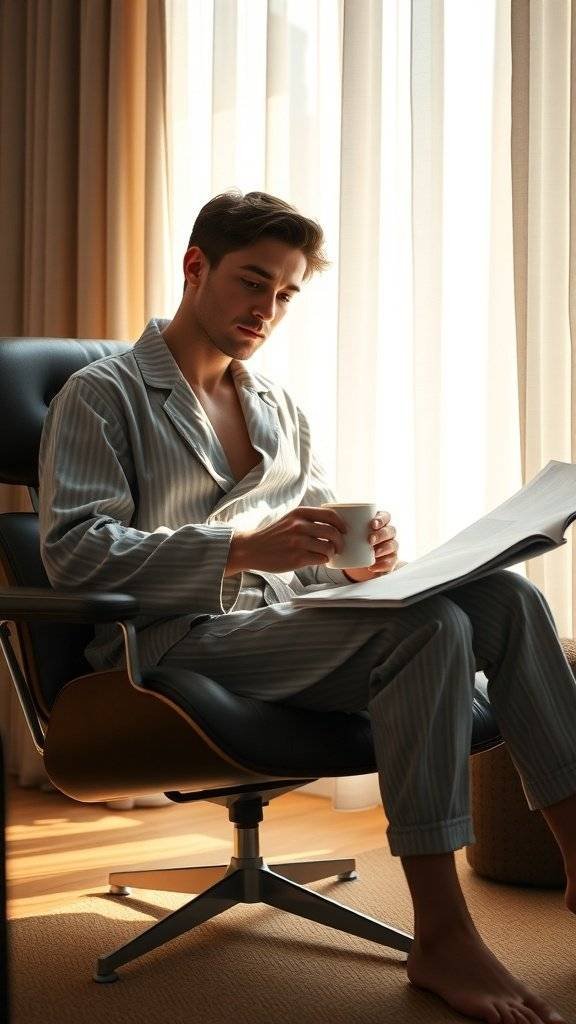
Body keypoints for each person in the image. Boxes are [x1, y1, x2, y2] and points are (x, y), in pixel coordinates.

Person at [38, 190, 575, 1024]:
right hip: (172, 646)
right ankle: (444, 935)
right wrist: (243, 550)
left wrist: (361, 568)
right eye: (253, 282)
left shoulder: (277, 406)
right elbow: (74, 555)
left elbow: (318, 554)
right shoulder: (101, 396)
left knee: (504, 595)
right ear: (195, 267)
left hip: (278, 628)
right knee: (430, 629)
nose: (268, 309)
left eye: (286, 293)